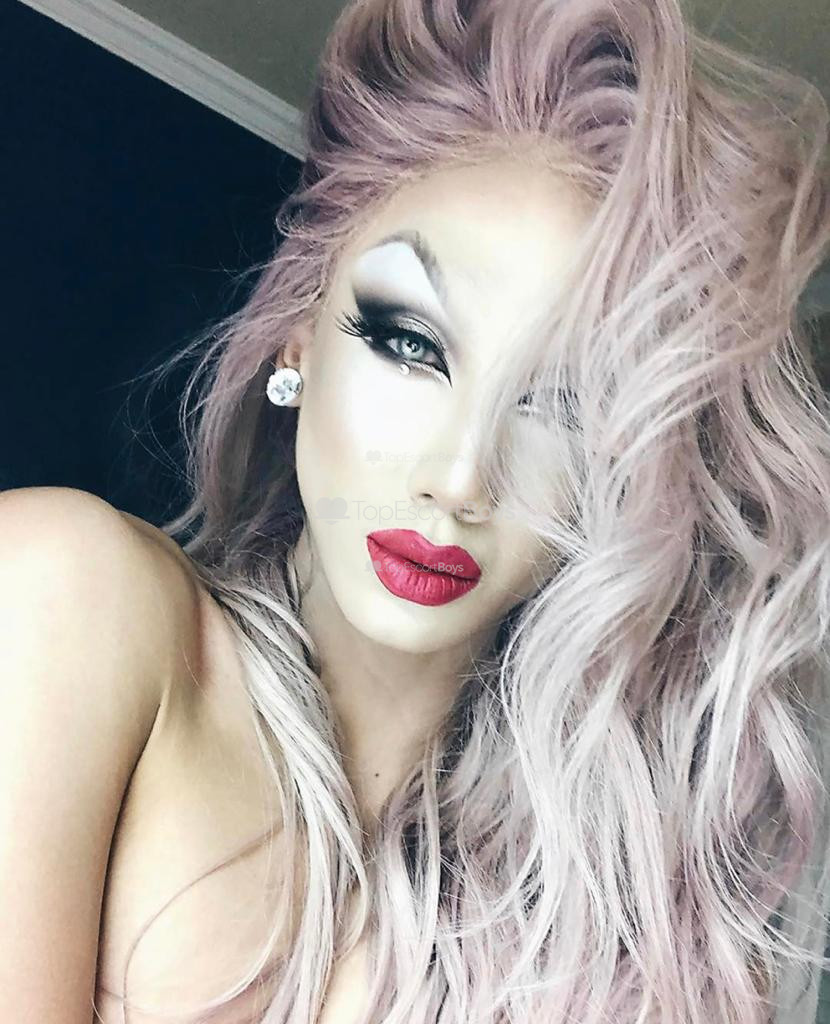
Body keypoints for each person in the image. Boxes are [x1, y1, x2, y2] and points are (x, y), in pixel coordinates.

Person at [3, 0, 830, 1021]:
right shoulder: (65, 594)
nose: (460, 477)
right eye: (409, 343)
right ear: (299, 337)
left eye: (565, 405)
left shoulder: (608, 922)